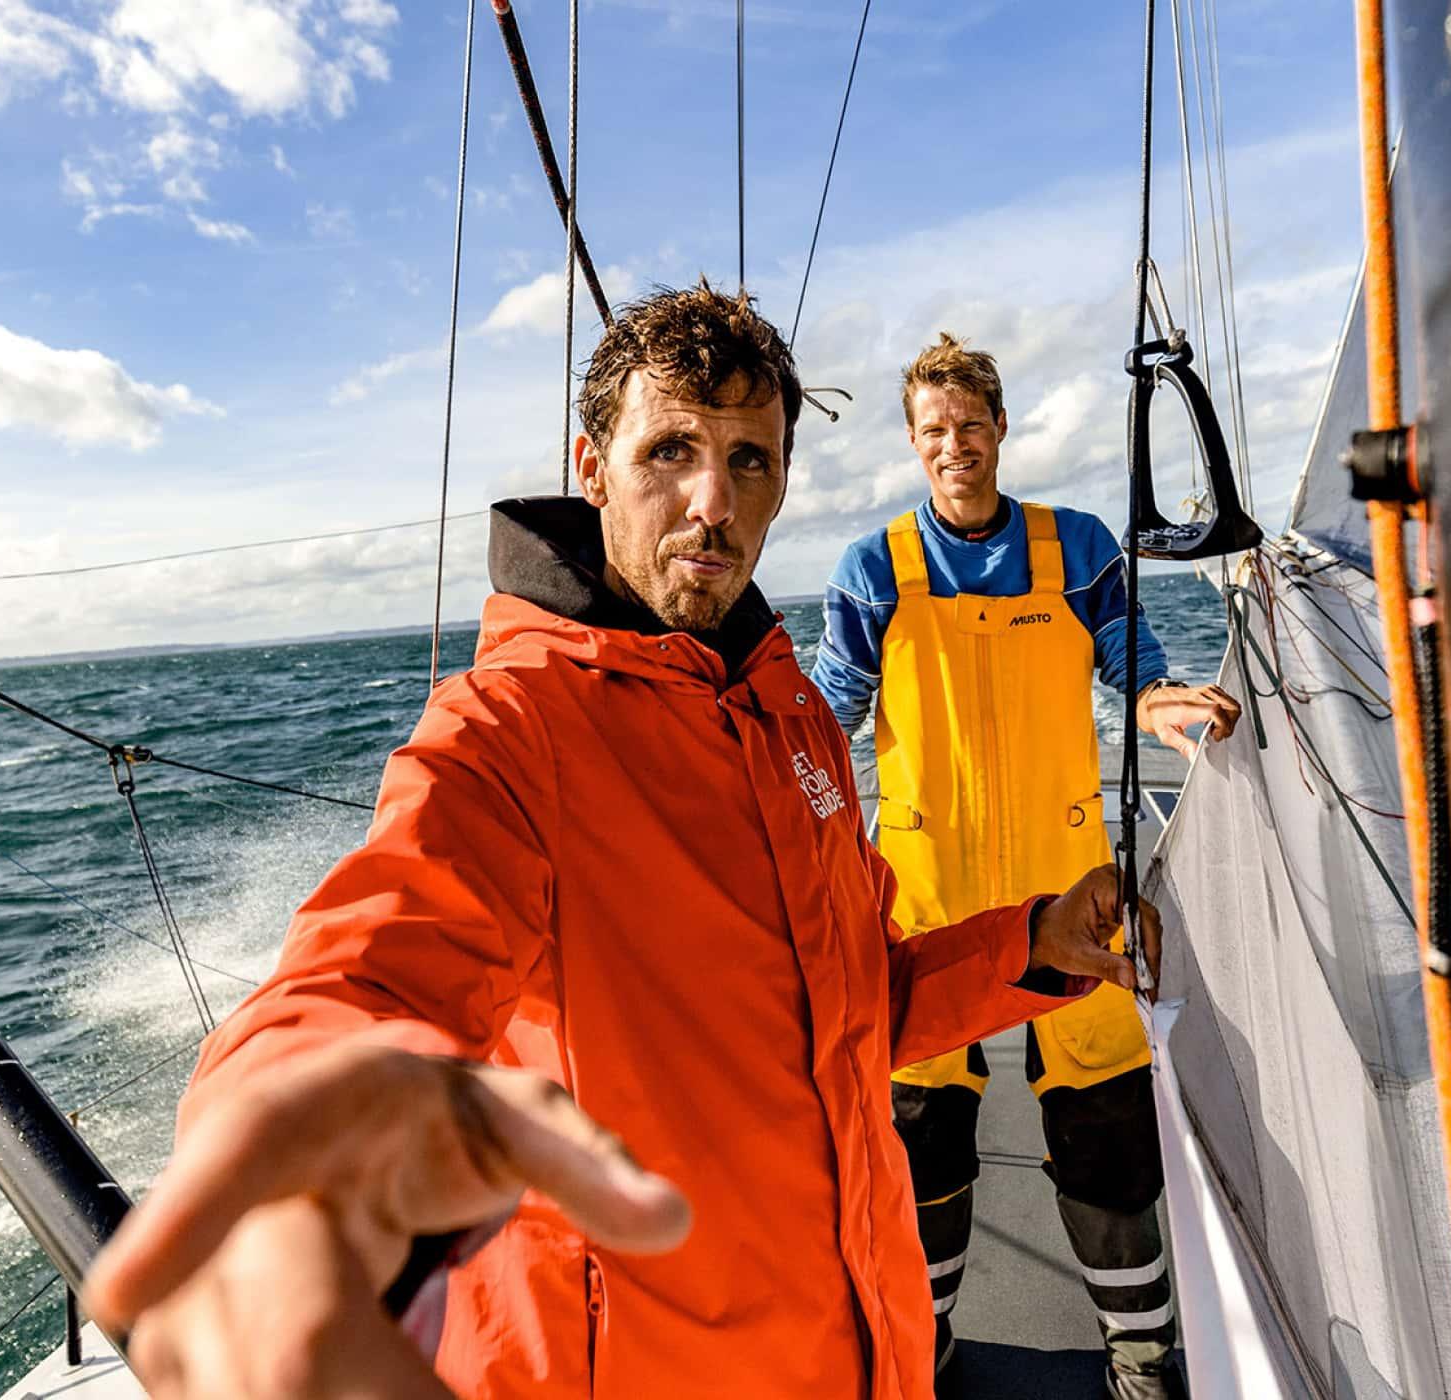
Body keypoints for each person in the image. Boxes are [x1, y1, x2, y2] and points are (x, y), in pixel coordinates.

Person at [83, 285, 1164, 1400]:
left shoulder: (789, 712)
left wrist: (1035, 941)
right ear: (592, 466)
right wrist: (290, 1171)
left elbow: (854, 999)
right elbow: (363, 971)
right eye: (672, 448)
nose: (714, 501)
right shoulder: (505, 730)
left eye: (752, 461)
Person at [811, 333, 1240, 1400]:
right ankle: (925, 1346)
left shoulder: (1077, 546)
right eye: (931, 432)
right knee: (922, 1147)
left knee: (1107, 1134)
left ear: (999, 426)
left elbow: (1129, 654)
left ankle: (1141, 1356)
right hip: (922, 905)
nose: (951, 444)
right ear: (914, 446)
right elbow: (824, 721)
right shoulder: (875, 568)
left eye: (968, 423)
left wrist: (1155, 699)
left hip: (1073, 889)